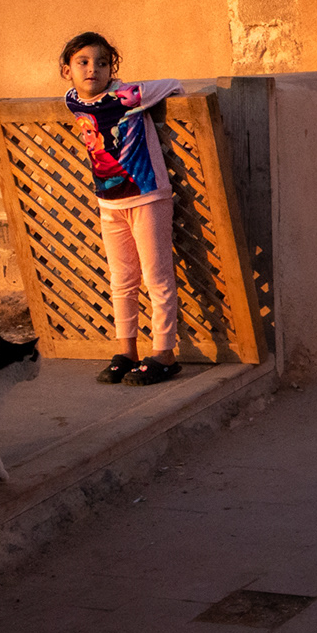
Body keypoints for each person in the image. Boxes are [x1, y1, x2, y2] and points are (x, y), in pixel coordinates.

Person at [59, 31, 186, 386]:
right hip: (109, 201)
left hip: (147, 195)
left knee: (156, 276)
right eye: (82, 62)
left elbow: (174, 84)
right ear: (67, 69)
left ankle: (164, 352)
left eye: (101, 63)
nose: (92, 70)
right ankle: (126, 350)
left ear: (112, 69)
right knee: (122, 279)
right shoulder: (72, 100)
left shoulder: (127, 96)